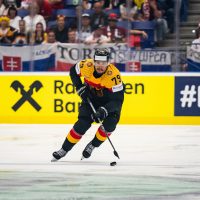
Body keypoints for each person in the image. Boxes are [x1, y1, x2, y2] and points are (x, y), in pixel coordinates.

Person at [52, 48, 124, 161]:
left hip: (109, 104)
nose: (100, 66)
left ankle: (92, 145)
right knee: (82, 124)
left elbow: (117, 101)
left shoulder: (114, 76)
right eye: (98, 62)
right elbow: (73, 71)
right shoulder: (87, 65)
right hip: (91, 99)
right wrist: (79, 87)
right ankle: (64, 149)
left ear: (108, 63)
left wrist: (104, 110)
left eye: (104, 63)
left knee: (109, 126)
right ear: (94, 61)